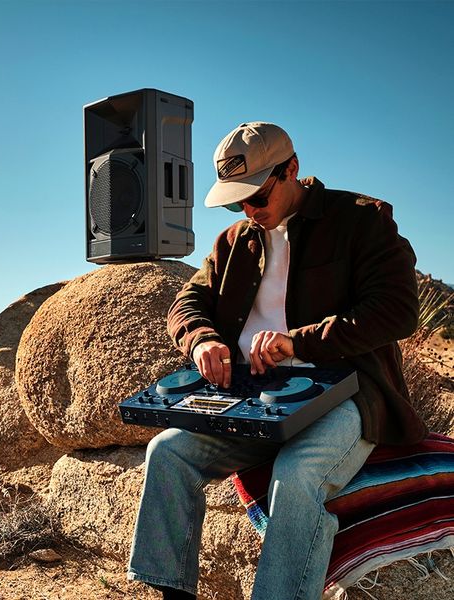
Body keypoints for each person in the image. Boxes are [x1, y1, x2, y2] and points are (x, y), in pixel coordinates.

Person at [127, 122, 427, 600]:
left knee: (298, 474)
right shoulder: (232, 242)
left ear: (291, 170)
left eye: (257, 197)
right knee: (168, 451)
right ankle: (171, 593)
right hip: (252, 398)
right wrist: (201, 339)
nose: (248, 211)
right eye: (235, 202)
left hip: (344, 390)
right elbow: (187, 303)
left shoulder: (362, 219)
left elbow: (396, 310)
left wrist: (299, 343)